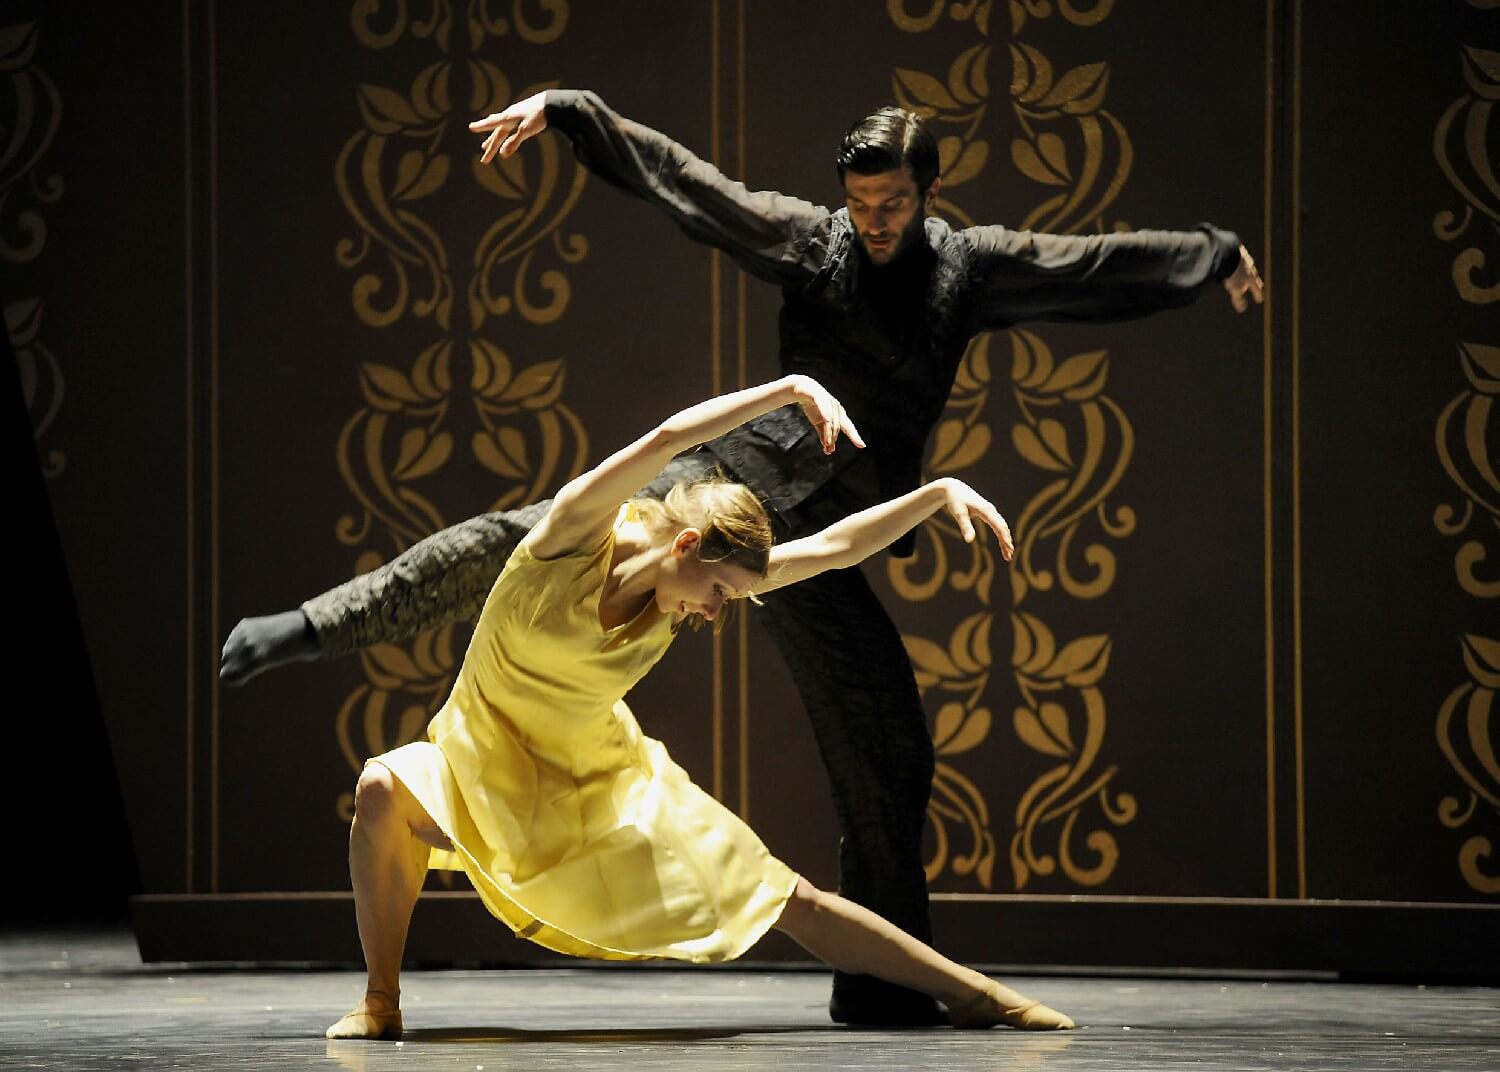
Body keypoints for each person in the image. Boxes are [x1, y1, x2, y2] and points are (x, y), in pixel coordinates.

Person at [224, 91, 1264, 1026]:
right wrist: (576, 115)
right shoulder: (812, 244)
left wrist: (1210, 253)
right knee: (513, 543)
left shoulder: (970, 267)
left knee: (890, 742)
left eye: (894, 202)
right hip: (722, 499)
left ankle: (885, 985)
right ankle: (307, 626)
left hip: (811, 531)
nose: (876, 219)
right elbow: (690, 186)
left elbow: (1083, 268)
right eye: (861, 201)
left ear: (929, 191)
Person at [323, 373, 1073, 1040]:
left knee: (789, 896)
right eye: (720, 593)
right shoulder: (574, 533)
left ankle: (978, 995)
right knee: (383, 790)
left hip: (598, 778)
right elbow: (667, 437)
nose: (718, 613)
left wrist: (937, 494)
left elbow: (839, 547)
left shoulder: (684, 591)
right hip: (477, 753)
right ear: (686, 544)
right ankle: (380, 1001)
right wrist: (788, 390)